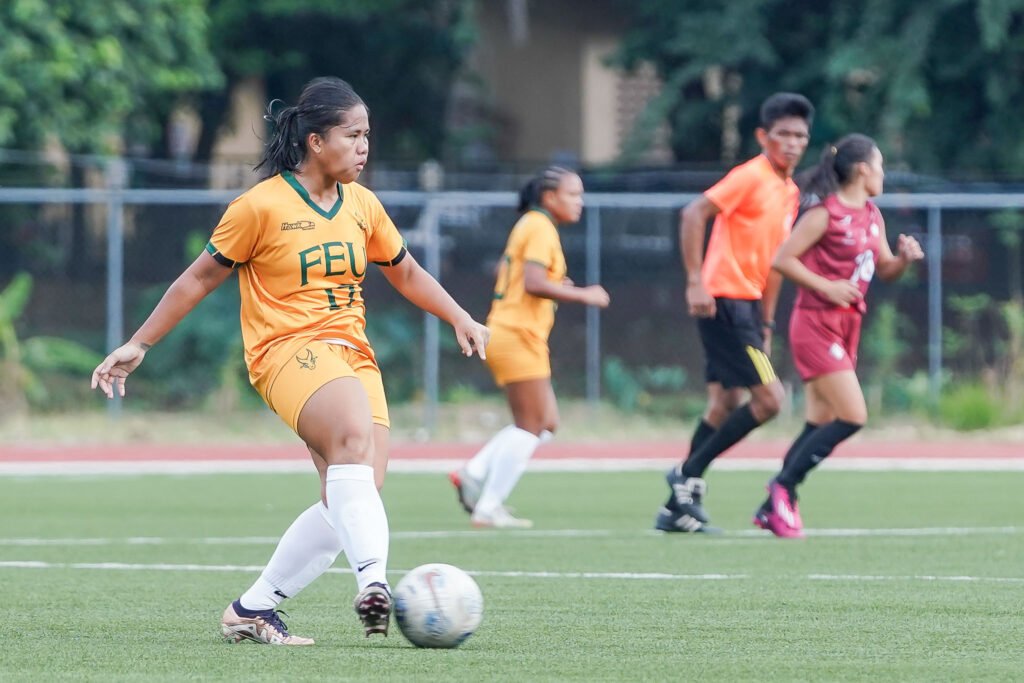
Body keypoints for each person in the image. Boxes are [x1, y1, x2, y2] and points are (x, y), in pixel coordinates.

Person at [90, 77, 490, 645]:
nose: (363, 146)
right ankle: (374, 583)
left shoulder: (362, 205)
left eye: (367, 135)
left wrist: (459, 316)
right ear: (315, 140)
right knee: (353, 439)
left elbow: (404, 270)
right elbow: (199, 278)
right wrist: (141, 342)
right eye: (352, 134)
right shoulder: (259, 206)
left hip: (353, 355)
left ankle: (251, 609)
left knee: (353, 496)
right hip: (286, 352)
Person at [656, 92, 815, 533]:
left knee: (724, 403)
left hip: (747, 307)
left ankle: (675, 509)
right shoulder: (751, 175)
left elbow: (776, 264)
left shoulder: (789, 192)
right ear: (763, 137)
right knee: (769, 400)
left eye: (800, 136)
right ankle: (686, 474)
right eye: (783, 134)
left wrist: (766, 322)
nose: (792, 143)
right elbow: (694, 213)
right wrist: (694, 280)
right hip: (723, 299)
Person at [754, 133, 923, 538]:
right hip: (814, 323)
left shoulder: (871, 215)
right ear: (863, 170)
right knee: (853, 416)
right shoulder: (824, 213)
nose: (882, 174)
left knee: (821, 420)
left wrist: (902, 260)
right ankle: (782, 487)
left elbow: (882, 269)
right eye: (880, 166)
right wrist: (826, 286)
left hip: (847, 324)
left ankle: (770, 508)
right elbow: (783, 260)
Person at [449, 167, 610, 528]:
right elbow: (534, 283)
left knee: (545, 422)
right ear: (550, 197)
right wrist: (582, 293)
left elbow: (509, 276)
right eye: (573, 195)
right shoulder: (539, 226)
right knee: (531, 424)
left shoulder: (531, 225)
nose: (579, 202)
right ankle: (488, 506)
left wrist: (558, 284)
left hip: (517, 334)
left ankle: (474, 471)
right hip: (516, 334)